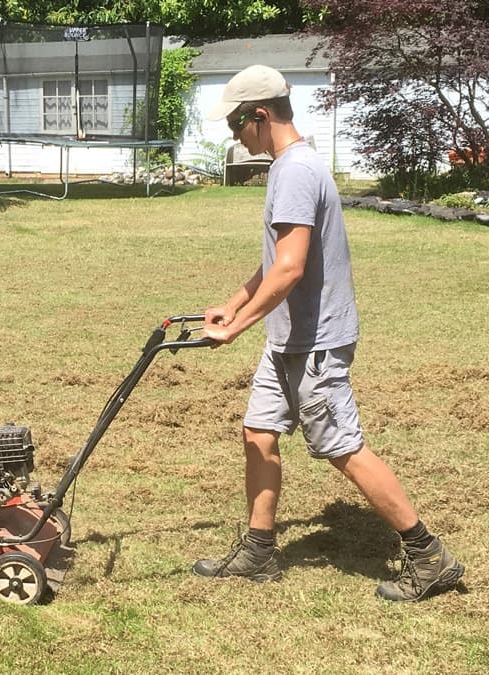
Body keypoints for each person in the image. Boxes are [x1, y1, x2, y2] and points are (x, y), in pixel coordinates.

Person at [194, 64, 465, 602]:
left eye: (235, 126)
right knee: (258, 433)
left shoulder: (295, 171)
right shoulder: (289, 166)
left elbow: (291, 269)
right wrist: (234, 304)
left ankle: (428, 554)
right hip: (287, 337)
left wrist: (239, 328)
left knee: (342, 448)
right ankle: (258, 550)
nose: (235, 137)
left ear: (260, 116)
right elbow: (276, 262)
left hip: (315, 342)